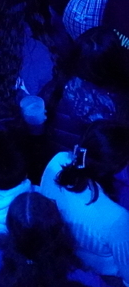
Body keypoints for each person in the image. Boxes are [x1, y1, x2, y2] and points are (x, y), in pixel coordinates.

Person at [37, 121, 129, 283]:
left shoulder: (56, 161)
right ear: (115, 168)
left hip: (62, 254)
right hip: (102, 274)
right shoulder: (117, 218)